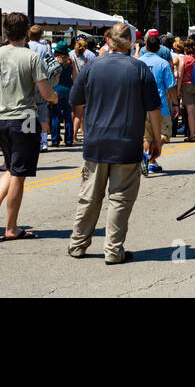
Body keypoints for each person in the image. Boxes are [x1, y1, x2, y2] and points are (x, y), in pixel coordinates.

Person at [67, 21, 162, 264]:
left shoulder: (92, 67)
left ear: (108, 41)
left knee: (89, 197)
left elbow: (75, 100)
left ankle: (77, 245)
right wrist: (155, 141)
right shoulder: (140, 69)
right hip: (127, 144)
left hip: (96, 142)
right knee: (120, 199)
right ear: (131, 43)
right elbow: (154, 110)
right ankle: (113, 251)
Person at [0, 11, 57, 241]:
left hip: (0, 118)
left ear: (5, 31)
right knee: (19, 174)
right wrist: (54, 98)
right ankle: (11, 228)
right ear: (26, 32)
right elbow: (45, 91)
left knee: (12, 168)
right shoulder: (31, 57)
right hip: (26, 118)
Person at [138, 32, 176, 172]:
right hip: (161, 106)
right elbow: (170, 86)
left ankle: (147, 159)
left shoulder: (138, 62)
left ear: (146, 46)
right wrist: (176, 103)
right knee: (164, 134)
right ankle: (150, 159)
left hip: (142, 105)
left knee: (146, 136)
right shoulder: (163, 63)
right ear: (159, 47)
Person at [48, 43, 76, 147]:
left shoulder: (54, 62)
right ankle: (69, 140)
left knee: (55, 115)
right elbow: (74, 77)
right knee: (68, 116)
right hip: (68, 90)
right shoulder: (71, 62)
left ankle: (55, 140)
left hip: (56, 90)